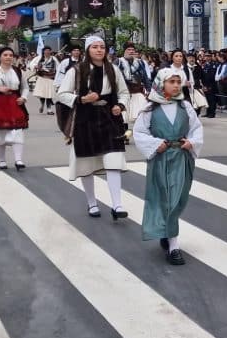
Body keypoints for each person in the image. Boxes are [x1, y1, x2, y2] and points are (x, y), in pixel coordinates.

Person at [133, 68, 204, 266]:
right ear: (161, 83)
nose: (175, 85)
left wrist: (192, 142)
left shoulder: (185, 106)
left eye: (177, 81)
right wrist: (156, 144)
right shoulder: (150, 108)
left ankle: (166, 231)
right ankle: (173, 246)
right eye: (171, 81)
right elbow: (139, 132)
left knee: (178, 198)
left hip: (181, 157)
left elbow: (196, 128)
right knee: (166, 199)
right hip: (161, 158)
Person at [57, 36, 131, 220]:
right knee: (86, 163)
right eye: (95, 47)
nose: (99, 50)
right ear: (88, 50)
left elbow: (124, 93)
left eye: (102, 47)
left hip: (109, 118)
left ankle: (117, 204)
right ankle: (92, 203)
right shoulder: (76, 71)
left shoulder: (113, 69)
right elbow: (61, 94)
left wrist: (120, 106)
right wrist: (81, 99)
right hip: (85, 119)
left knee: (113, 160)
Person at [117, 43, 151, 129]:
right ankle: (124, 135)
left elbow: (145, 77)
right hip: (123, 92)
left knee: (141, 114)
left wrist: (149, 89)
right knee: (123, 116)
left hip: (137, 91)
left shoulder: (139, 62)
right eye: (129, 49)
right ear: (124, 51)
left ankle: (139, 134)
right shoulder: (118, 62)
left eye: (132, 50)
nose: (131, 51)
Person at [33, 46, 58, 115]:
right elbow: (32, 65)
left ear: (50, 51)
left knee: (49, 95)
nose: (47, 52)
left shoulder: (54, 59)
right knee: (42, 94)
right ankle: (42, 104)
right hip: (42, 78)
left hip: (50, 78)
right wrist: (35, 66)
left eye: (48, 50)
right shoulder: (39, 58)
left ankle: (49, 109)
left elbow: (58, 68)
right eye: (45, 50)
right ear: (43, 51)